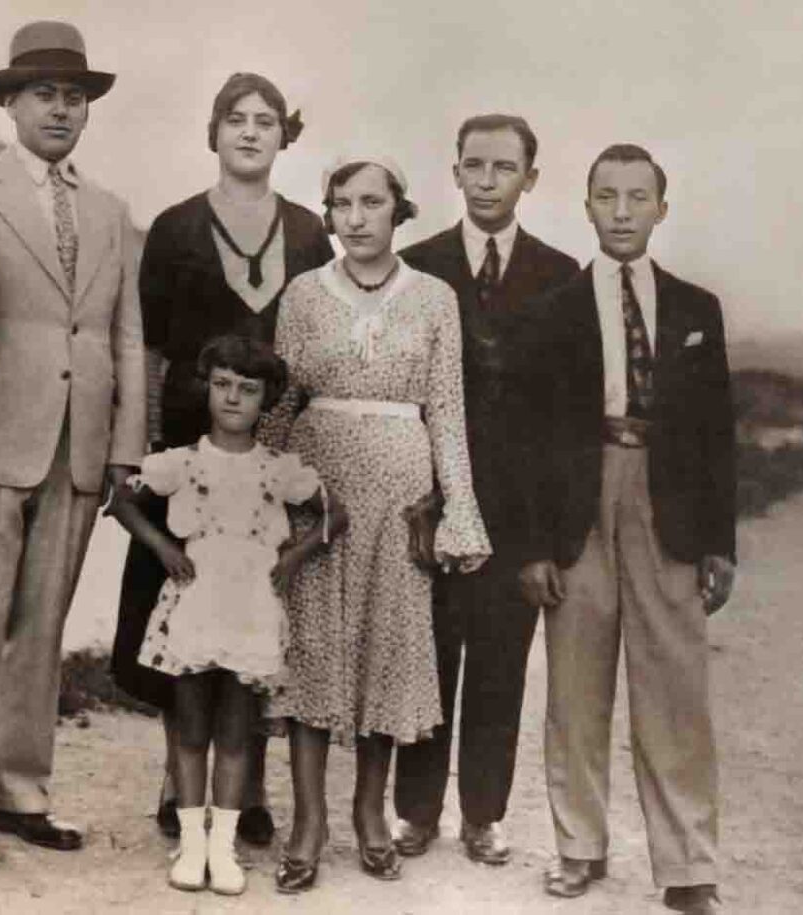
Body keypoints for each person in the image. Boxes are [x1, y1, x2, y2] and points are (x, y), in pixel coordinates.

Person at [0, 20, 146, 873]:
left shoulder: (110, 209)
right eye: (45, 93)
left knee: (42, 627)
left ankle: (23, 792)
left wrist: (123, 446)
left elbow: (125, 338)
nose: (62, 108)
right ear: (10, 102)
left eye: (76, 96)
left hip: (79, 448)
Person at [109, 71, 332, 844]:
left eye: (266, 120)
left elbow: (315, 347)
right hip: (188, 450)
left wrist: (299, 446)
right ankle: (178, 781)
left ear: (284, 135)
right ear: (213, 130)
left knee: (260, 615)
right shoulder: (173, 229)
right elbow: (150, 348)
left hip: (274, 450)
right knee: (187, 607)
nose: (249, 132)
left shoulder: (309, 232)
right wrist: (138, 447)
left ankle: (253, 790)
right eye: (234, 118)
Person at [262, 157, 491, 892]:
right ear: (327, 214)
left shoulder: (434, 298)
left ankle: (368, 815)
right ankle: (307, 823)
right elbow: (280, 401)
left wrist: (460, 510)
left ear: (400, 210)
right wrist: (260, 489)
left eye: (372, 202)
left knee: (383, 649)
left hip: (399, 494)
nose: (356, 217)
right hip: (318, 491)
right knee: (313, 650)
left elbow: (447, 411)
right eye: (342, 204)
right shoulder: (302, 294)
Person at [519, 144, 735, 915]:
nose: (620, 211)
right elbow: (532, 435)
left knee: (675, 690)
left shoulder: (695, 308)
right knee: (575, 689)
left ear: (660, 209)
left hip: (667, 506)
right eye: (606, 196)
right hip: (580, 502)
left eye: (636, 197)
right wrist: (536, 546)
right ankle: (579, 846)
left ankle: (687, 866)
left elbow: (716, 434)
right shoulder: (552, 312)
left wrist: (719, 541)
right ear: (585, 207)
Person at [393, 114, 579, 864]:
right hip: (430, 500)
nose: (489, 179)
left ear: (530, 177)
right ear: (456, 171)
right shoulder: (416, 262)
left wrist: (545, 537)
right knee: (427, 657)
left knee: (501, 662)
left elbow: (565, 417)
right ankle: (413, 809)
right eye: (475, 164)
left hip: (516, 511)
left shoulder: (561, 276)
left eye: (506, 166)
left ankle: (484, 813)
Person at [110, 334, 345, 895]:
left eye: (248, 389)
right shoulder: (182, 463)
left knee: (238, 734)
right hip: (195, 610)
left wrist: (294, 556)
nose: (233, 399)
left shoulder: (279, 470)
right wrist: (163, 548)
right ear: (206, 389)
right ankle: (192, 847)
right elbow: (119, 501)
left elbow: (338, 516)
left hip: (250, 614)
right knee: (191, 731)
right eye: (221, 386)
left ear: (267, 400)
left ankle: (225, 848)